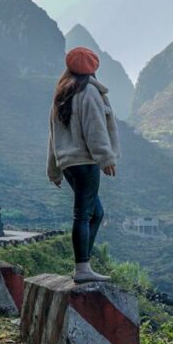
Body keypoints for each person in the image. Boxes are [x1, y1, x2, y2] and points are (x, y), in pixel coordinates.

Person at [47, 46, 120, 282]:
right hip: (85, 161)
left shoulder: (61, 94)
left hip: (68, 163)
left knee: (95, 213)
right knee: (83, 214)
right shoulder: (89, 92)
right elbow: (95, 128)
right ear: (93, 69)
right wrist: (106, 158)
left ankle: (84, 263)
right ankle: (82, 268)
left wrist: (54, 169)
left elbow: (53, 136)